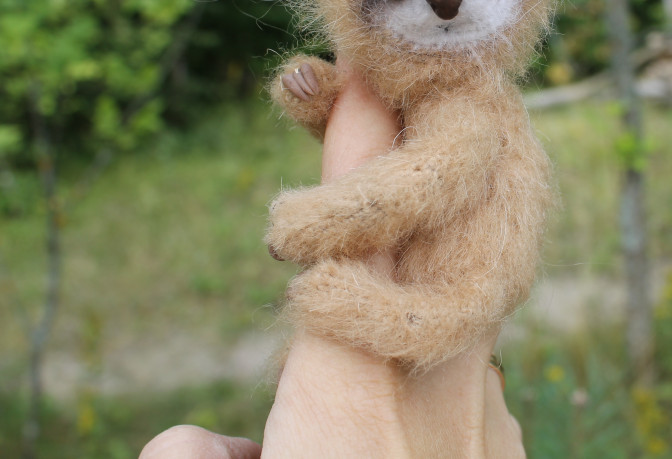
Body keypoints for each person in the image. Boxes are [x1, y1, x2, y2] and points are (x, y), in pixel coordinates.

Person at [140, 65, 524, 458]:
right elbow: (390, 143)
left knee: (377, 320)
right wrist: (316, 95)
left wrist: (306, 225)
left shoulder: (466, 103)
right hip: (448, 324)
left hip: (448, 302)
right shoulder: (411, 84)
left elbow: (426, 179)